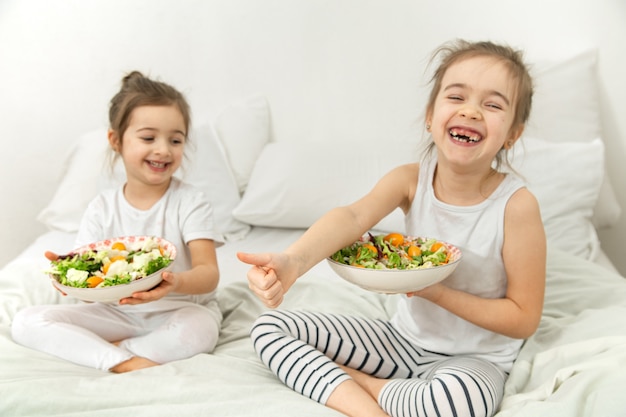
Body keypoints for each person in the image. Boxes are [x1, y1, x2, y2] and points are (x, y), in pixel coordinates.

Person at [237, 39, 546, 417]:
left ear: (513, 134)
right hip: (399, 341)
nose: (471, 111)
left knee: (459, 402)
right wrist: (293, 262)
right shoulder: (410, 181)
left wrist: (434, 292)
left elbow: (523, 317)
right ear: (431, 115)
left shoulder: (517, 205)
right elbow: (352, 219)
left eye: (493, 104)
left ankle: (359, 386)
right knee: (269, 328)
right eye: (456, 97)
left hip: (474, 359)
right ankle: (377, 408)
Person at [12, 71, 223, 373]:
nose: (163, 149)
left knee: (201, 329)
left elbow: (209, 274)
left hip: (178, 309)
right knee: (26, 321)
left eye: (175, 140)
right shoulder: (101, 208)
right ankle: (125, 361)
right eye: (149, 137)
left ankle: (113, 354)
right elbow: (89, 277)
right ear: (116, 140)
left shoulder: (190, 202)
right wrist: (70, 275)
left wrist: (173, 282)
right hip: (116, 313)